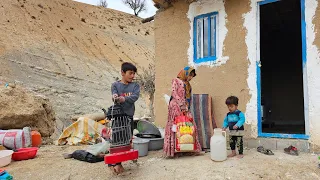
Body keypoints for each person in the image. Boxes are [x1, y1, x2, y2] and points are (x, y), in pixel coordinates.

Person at [109, 62, 140, 174]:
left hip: (129, 117)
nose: (133, 76)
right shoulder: (115, 85)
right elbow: (114, 94)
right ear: (122, 73)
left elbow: (134, 97)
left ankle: (123, 159)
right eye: (130, 73)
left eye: (133, 74)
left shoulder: (135, 86)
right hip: (117, 118)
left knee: (127, 139)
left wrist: (124, 99)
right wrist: (115, 97)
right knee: (117, 141)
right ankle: (117, 164)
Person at [163, 66, 202, 157]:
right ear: (185, 73)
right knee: (176, 126)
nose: (190, 78)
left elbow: (189, 98)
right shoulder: (176, 81)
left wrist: (187, 107)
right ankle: (173, 150)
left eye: (192, 76)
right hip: (175, 106)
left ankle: (187, 149)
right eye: (190, 75)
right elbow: (174, 93)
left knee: (188, 125)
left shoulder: (188, 85)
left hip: (185, 107)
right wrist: (181, 105)